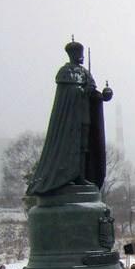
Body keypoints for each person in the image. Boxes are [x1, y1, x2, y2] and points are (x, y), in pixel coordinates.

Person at [27, 39, 112, 195]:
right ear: (72, 54)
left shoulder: (85, 73)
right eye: (79, 54)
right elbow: (70, 94)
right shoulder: (64, 73)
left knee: (84, 147)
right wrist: (82, 91)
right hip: (69, 120)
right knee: (70, 146)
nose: (81, 57)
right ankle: (66, 177)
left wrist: (103, 96)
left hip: (84, 116)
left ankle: (80, 176)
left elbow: (93, 93)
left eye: (82, 53)